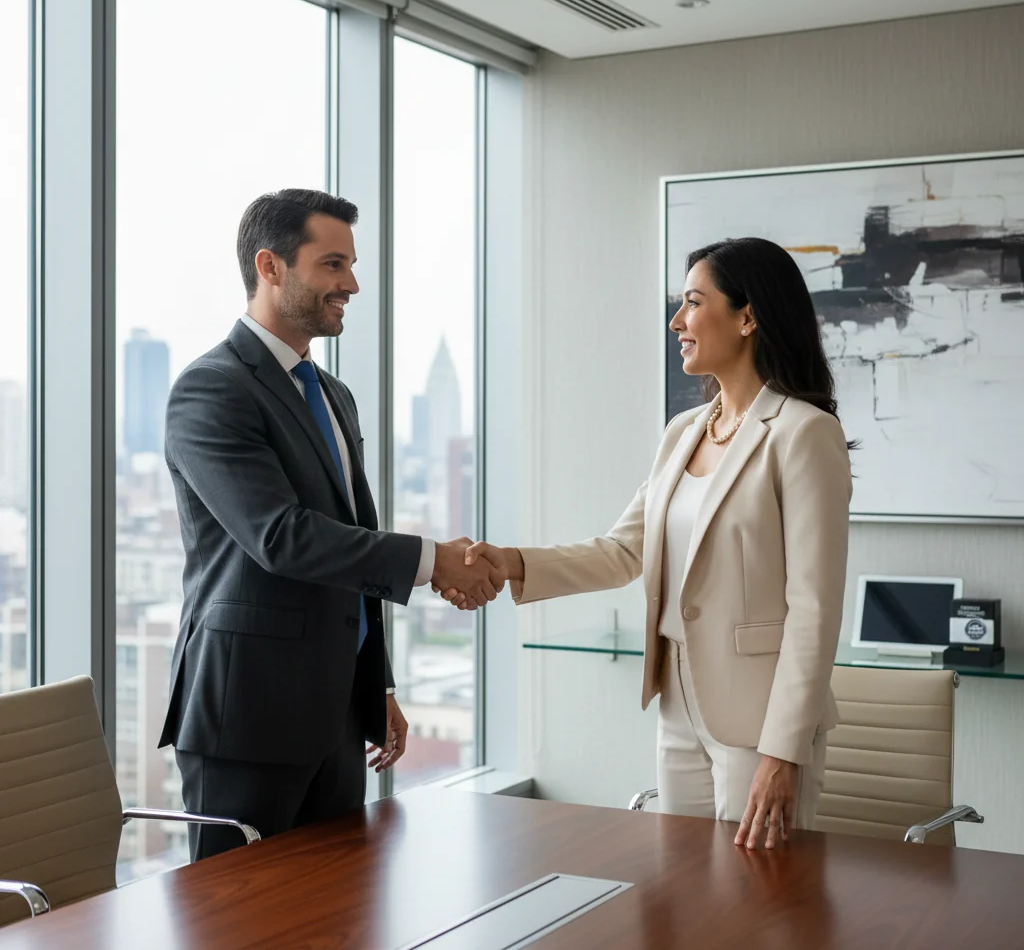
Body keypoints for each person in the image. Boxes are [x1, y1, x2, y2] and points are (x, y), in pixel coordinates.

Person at [441, 237, 853, 850]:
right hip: (678, 706)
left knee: (758, 905)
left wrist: (783, 751)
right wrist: (514, 562)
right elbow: (623, 550)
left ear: (748, 316)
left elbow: (814, 609)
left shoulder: (802, 434)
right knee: (686, 896)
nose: (677, 320)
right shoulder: (683, 431)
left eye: (692, 302)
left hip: (758, 720)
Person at [159, 189, 503, 860]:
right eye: (332, 264)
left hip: (338, 718)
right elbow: (280, 538)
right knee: (240, 923)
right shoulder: (212, 389)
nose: (351, 283)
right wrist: (436, 562)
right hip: (247, 719)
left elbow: (348, 543)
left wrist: (375, 686)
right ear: (270, 266)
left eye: (351, 264)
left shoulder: (332, 394)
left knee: (340, 916)